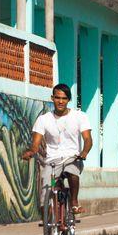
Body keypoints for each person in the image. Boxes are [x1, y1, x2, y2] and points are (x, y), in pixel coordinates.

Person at [22, 83, 93, 215]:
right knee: (44, 197)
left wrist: (84, 152)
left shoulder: (80, 116)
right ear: (52, 98)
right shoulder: (43, 119)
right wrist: (31, 152)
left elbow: (88, 139)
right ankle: (50, 227)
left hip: (73, 157)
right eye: (57, 97)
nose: (60, 101)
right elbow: (36, 143)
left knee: (72, 172)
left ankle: (74, 202)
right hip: (52, 160)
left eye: (64, 98)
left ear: (69, 100)